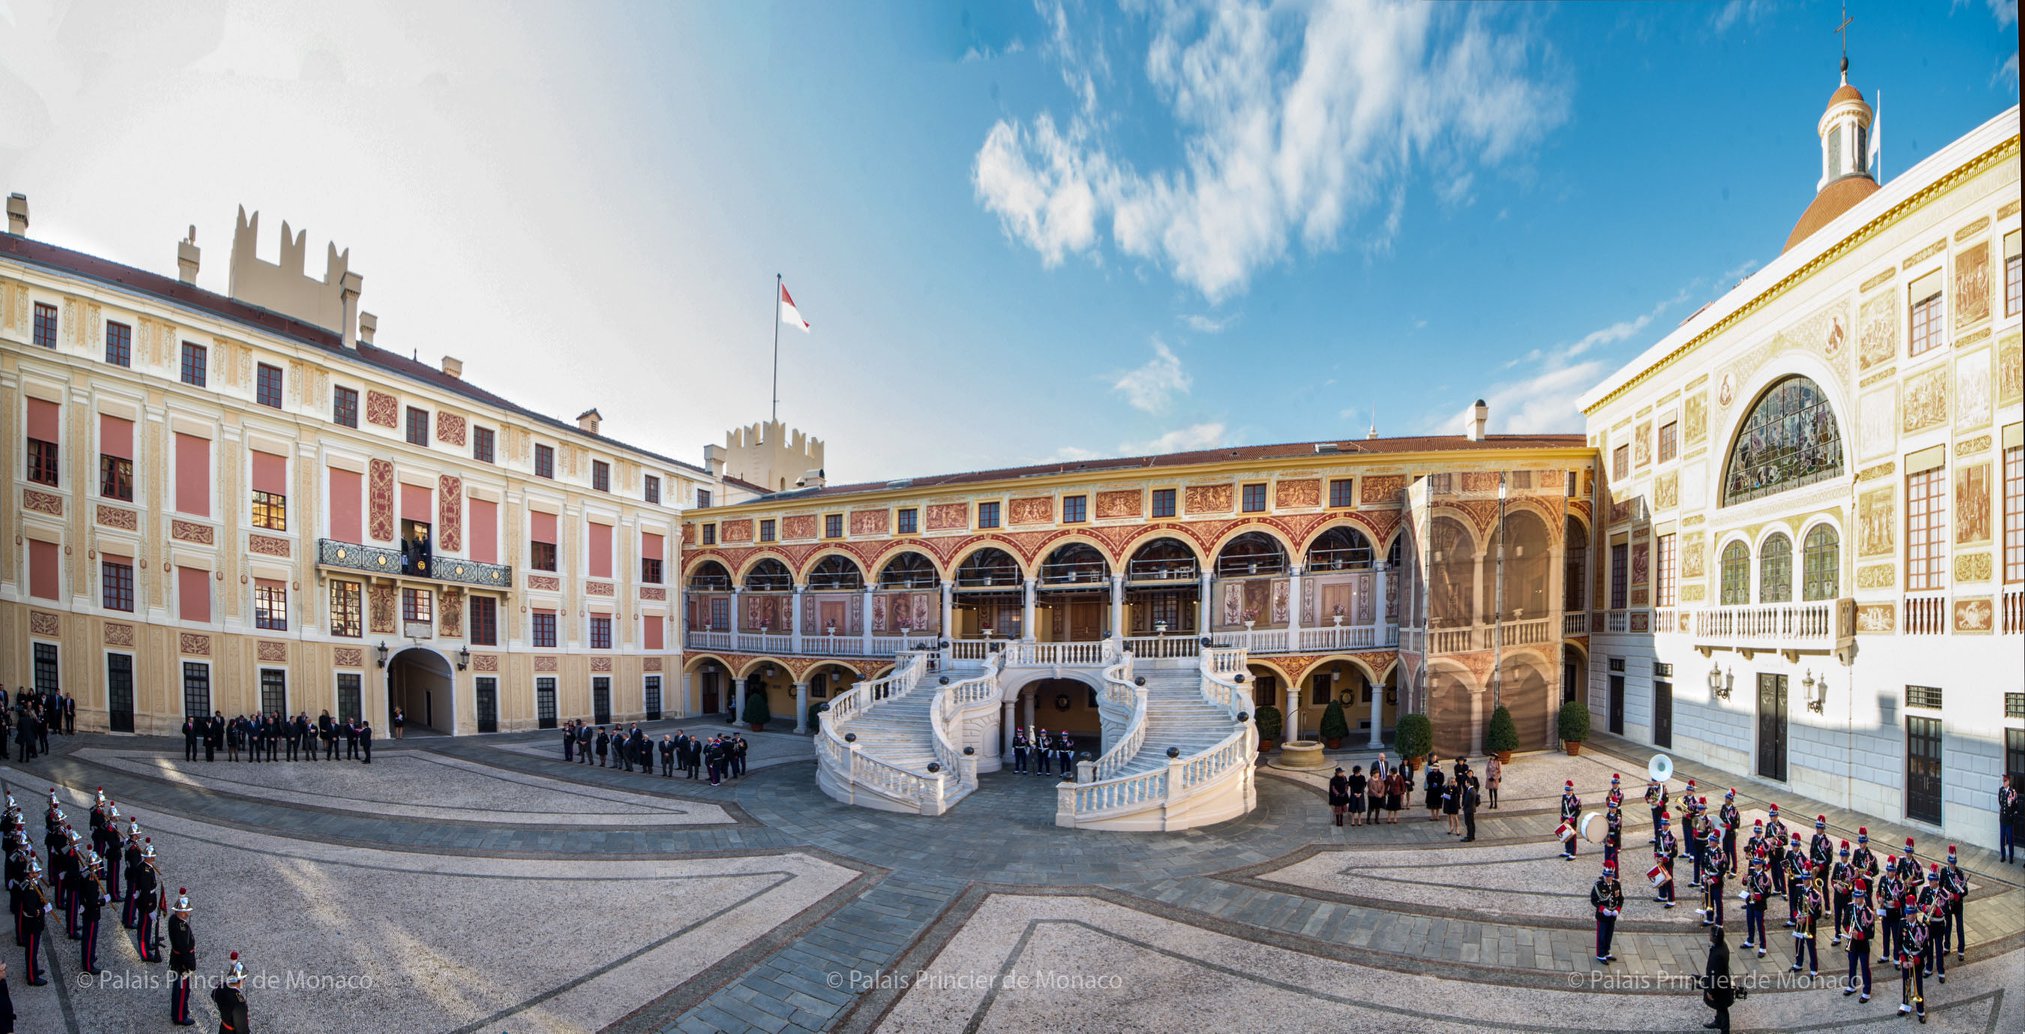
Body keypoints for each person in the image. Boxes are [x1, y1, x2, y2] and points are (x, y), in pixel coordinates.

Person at [1844, 877, 1875, 1002]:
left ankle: (1866, 991)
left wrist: (1860, 935)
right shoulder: (1850, 907)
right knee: (1852, 964)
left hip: (1862, 944)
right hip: (1852, 942)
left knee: (1864, 967)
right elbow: (1844, 922)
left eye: (1858, 897)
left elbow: (1871, 933)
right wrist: (1850, 931)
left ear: (1863, 897)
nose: (1855, 899)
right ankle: (1851, 986)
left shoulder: (1868, 912)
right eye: (1854, 897)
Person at [1897, 898, 1929, 1020]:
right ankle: (1905, 1005)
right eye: (1908, 913)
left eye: (1911, 914)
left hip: (1916, 960)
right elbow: (1899, 943)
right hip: (1906, 959)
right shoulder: (1902, 924)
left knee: (1918, 985)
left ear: (1916, 913)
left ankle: (1921, 1011)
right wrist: (1903, 959)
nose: (1909, 916)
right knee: (1906, 983)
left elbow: (1926, 949)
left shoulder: (1922, 927)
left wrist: (1916, 960)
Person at [168, 890, 196, 1026]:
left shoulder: (174, 920)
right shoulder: (181, 927)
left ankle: (180, 1010)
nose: (188, 914)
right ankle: (180, 1016)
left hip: (176, 960)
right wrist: (190, 965)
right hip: (182, 964)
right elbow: (184, 949)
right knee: (182, 990)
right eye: (186, 911)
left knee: (179, 989)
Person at [1702, 925, 1736, 1033]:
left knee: (1722, 1008)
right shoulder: (1722, 946)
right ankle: (1718, 1021)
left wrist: (1710, 991)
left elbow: (1714, 974)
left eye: (1710, 934)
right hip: (1722, 983)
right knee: (1720, 1006)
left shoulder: (1718, 954)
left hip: (1719, 986)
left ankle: (1725, 1030)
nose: (1709, 935)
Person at [1939, 845, 1967, 963]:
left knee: (1960, 927)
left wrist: (1955, 896)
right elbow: (1940, 886)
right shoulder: (1944, 872)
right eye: (1951, 863)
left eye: (1954, 863)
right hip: (1947, 904)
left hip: (1957, 904)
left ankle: (1961, 950)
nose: (1952, 865)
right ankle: (1947, 946)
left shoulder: (1960, 873)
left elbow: (1965, 891)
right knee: (1948, 926)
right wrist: (1947, 895)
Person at [1591, 860, 1623, 964]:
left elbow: (1621, 899)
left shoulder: (1616, 884)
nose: (1609, 878)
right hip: (1602, 916)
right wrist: (1602, 909)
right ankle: (1600, 954)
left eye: (1610, 876)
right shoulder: (1598, 885)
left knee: (1609, 935)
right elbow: (1594, 900)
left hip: (1612, 915)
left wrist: (1617, 910)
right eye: (1607, 876)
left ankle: (1606, 952)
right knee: (1602, 935)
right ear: (1604, 875)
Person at [213, 952, 249, 1033]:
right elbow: (241, 1027)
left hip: (223, 1028)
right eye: (244, 979)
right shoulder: (239, 1003)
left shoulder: (220, 988)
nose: (244, 981)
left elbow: (213, 995)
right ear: (239, 980)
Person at [2000, 773, 2019, 865]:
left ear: (2008, 782)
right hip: (2002, 819)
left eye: (2005, 781)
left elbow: (2015, 806)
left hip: (2009, 820)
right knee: (2002, 839)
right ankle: (2003, 856)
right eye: (2003, 781)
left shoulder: (2013, 792)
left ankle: (2011, 857)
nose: (2003, 782)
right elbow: (2000, 802)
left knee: (2010, 840)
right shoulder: (2001, 790)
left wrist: (2012, 816)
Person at [1559, 781, 1582, 860]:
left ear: (1572, 790)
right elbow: (1563, 807)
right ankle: (1567, 850)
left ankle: (1573, 853)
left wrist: (1571, 819)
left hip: (1572, 820)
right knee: (1566, 835)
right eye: (1566, 790)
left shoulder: (1576, 799)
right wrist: (1562, 817)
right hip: (1565, 818)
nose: (1568, 791)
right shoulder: (1564, 796)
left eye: (1569, 790)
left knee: (1572, 836)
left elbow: (1578, 811)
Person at [1423, 755, 1444, 822]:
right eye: (1434, 768)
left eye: (1436, 768)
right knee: (1431, 804)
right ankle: (1432, 814)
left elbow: (1442, 781)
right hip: (1431, 790)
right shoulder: (1430, 774)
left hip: (1438, 790)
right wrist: (1433, 784)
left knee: (1438, 803)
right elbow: (1428, 781)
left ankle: (1437, 815)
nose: (1435, 769)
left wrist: (1437, 784)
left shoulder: (1441, 774)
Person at [1461, 775, 1480, 842]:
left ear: (1468, 783)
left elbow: (1467, 801)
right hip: (1472, 809)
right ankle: (1472, 836)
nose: (1465, 784)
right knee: (1472, 823)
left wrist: (1464, 807)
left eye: (1466, 783)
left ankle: (1469, 837)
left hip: (1468, 809)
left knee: (1468, 823)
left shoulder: (1470, 791)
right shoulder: (1473, 790)